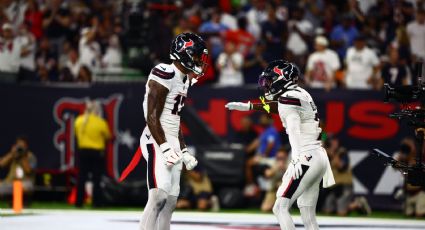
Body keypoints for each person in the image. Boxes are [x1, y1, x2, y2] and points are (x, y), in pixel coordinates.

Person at [225, 60, 335, 230]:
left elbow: (293, 129)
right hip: (318, 155)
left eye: (270, 80)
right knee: (307, 211)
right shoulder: (300, 93)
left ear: (281, 79)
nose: (267, 85)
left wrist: (297, 157)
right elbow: (278, 107)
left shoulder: (288, 98)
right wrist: (249, 106)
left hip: (306, 156)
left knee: (280, 207)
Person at [139, 32, 207, 230]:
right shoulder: (164, 72)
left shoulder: (184, 79)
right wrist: (165, 147)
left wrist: (183, 150)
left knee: (169, 202)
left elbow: (174, 120)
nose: (198, 61)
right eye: (195, 56)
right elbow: (151, 116)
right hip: (155, 139)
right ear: (183, 54)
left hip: (171, 141)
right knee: (158, 195)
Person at [74, 100, 111, 207]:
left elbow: (76, 135)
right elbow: (107, 136)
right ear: (97, 110)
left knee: (81, 178)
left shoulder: (78, 121)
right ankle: (97, 203)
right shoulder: (101, 122)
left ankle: (79, 202)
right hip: (97, 153)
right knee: (97, 178)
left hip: (83, 152)